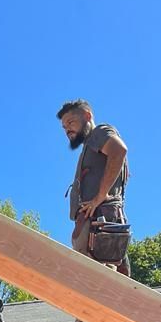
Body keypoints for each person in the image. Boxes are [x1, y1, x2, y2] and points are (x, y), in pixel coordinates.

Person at [57, 99, 131, 276]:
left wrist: (100, 196)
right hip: (98, 222)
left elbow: (119, 151)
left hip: (99, 221)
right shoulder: (90, 146)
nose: (67, 129)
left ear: (87, 116)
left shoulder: (98, 133)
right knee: (103, 280)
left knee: (93, 281)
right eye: (64, 127)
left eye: (71, 122)